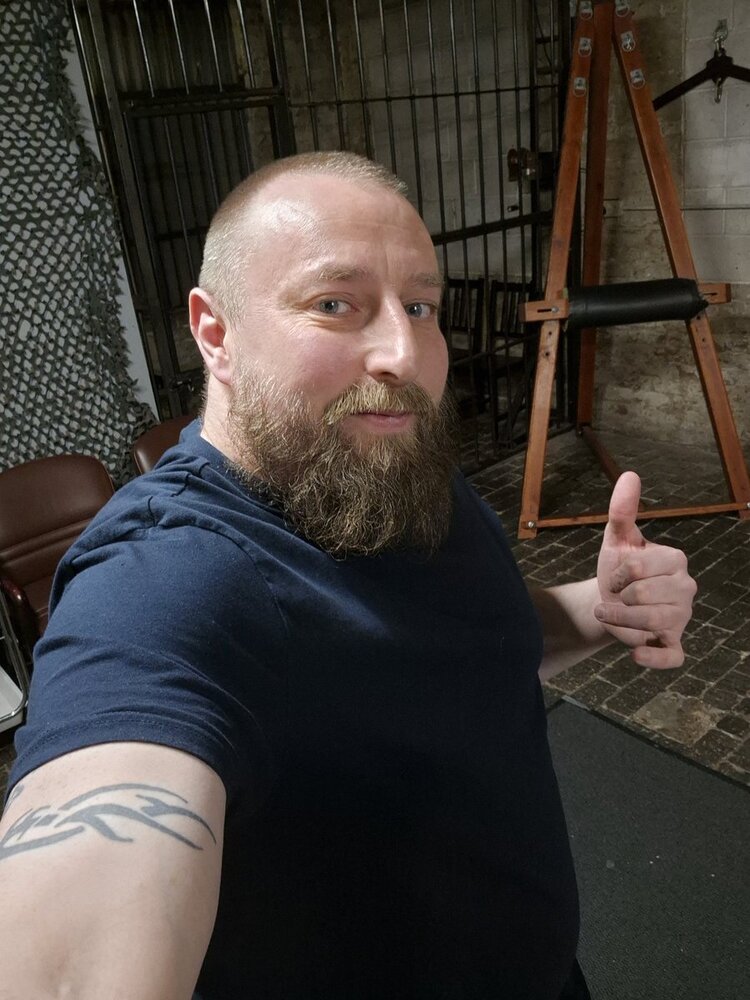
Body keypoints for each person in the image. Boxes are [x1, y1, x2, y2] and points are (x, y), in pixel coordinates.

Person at [0, 152, 696, 1000]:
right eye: (336, 304)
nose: (404, 353)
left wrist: (602, 609)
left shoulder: (388, 463)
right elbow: (89, 884)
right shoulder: (165, 580)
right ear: (215, 332)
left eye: (420, 307)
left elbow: (464, 645)